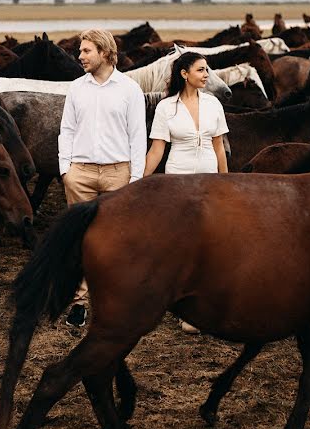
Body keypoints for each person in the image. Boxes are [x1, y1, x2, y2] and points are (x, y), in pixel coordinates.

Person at [58, 28, 146, 327]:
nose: (79, 56)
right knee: (80, 238)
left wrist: (134, 177)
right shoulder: (76, 89)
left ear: (105, 53)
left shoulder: (129, 89)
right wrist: (65, 171)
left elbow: (138, 136)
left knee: (118, 240)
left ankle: (116, 300)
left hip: (117, 173)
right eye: (80, 51)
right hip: (79, 173)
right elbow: (66, 130)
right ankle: (79, 304)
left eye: (86, 51)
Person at [143, 51, 229, 333]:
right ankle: (181, 304)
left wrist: (226, 183)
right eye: (201, 70)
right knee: (180, 243)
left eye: (207, 70)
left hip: (209, 179)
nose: (206, 75)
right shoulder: (166, 108)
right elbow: (157, 149)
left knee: (209, 242)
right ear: (185, 74)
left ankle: (204, 304)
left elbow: (219, 147)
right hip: (178, 180)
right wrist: (140, 181)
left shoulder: (214, 104)